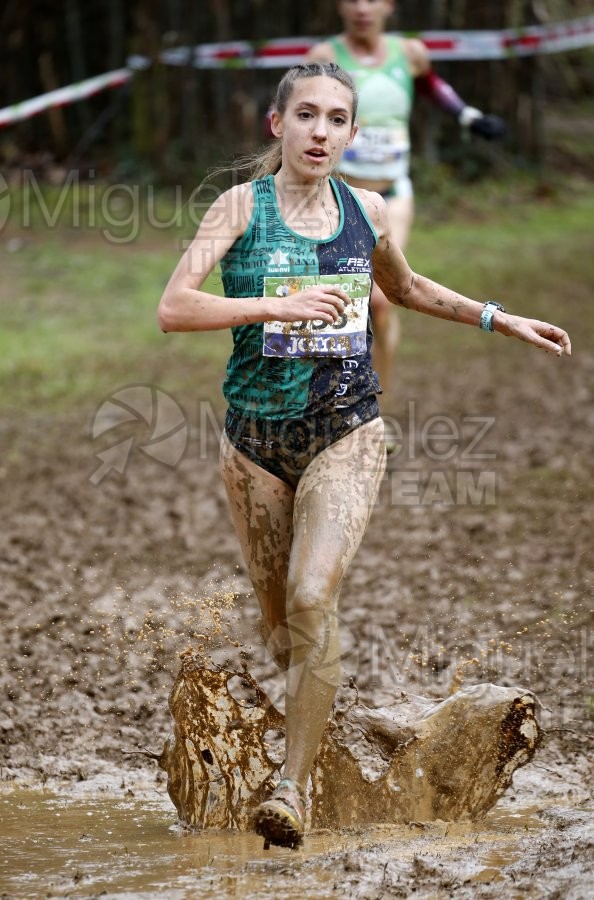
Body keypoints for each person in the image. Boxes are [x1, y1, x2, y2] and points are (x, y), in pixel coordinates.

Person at [157, 62, 570, 849]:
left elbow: (406, 289)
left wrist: (499, 316)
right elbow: (174, 307)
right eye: (305, 115)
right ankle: (339, 728)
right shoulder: (239, 208)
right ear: (277, 126)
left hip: (347, 430)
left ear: (353, 133)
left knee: (315, 600)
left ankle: (291, 791)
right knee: (284, 635)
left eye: (336, 119)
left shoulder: (367, 209)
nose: (320, 131)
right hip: (253, 447)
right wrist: (274, 303)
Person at [306, 0, 506, 424]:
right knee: (335, 301)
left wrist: (468, 117)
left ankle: (377, 407)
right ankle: (325, 398)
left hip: (393, 196)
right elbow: (299, 110)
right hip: (338, 195)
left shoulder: (409, 52)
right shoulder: (324, 58)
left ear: (388, 6)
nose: (363, 8)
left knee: (380, 299)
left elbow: (432, 84)